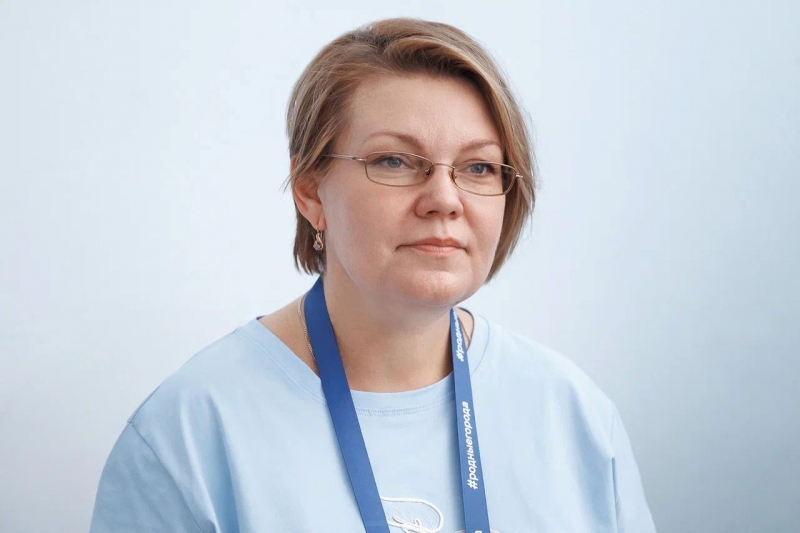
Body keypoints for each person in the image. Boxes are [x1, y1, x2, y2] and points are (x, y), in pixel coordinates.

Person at [90, 18, 657, 533]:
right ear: (311, 191)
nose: (445, 199)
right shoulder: (189, 434)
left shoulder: (574, 418)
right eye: (394, 161)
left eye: (478, 167)